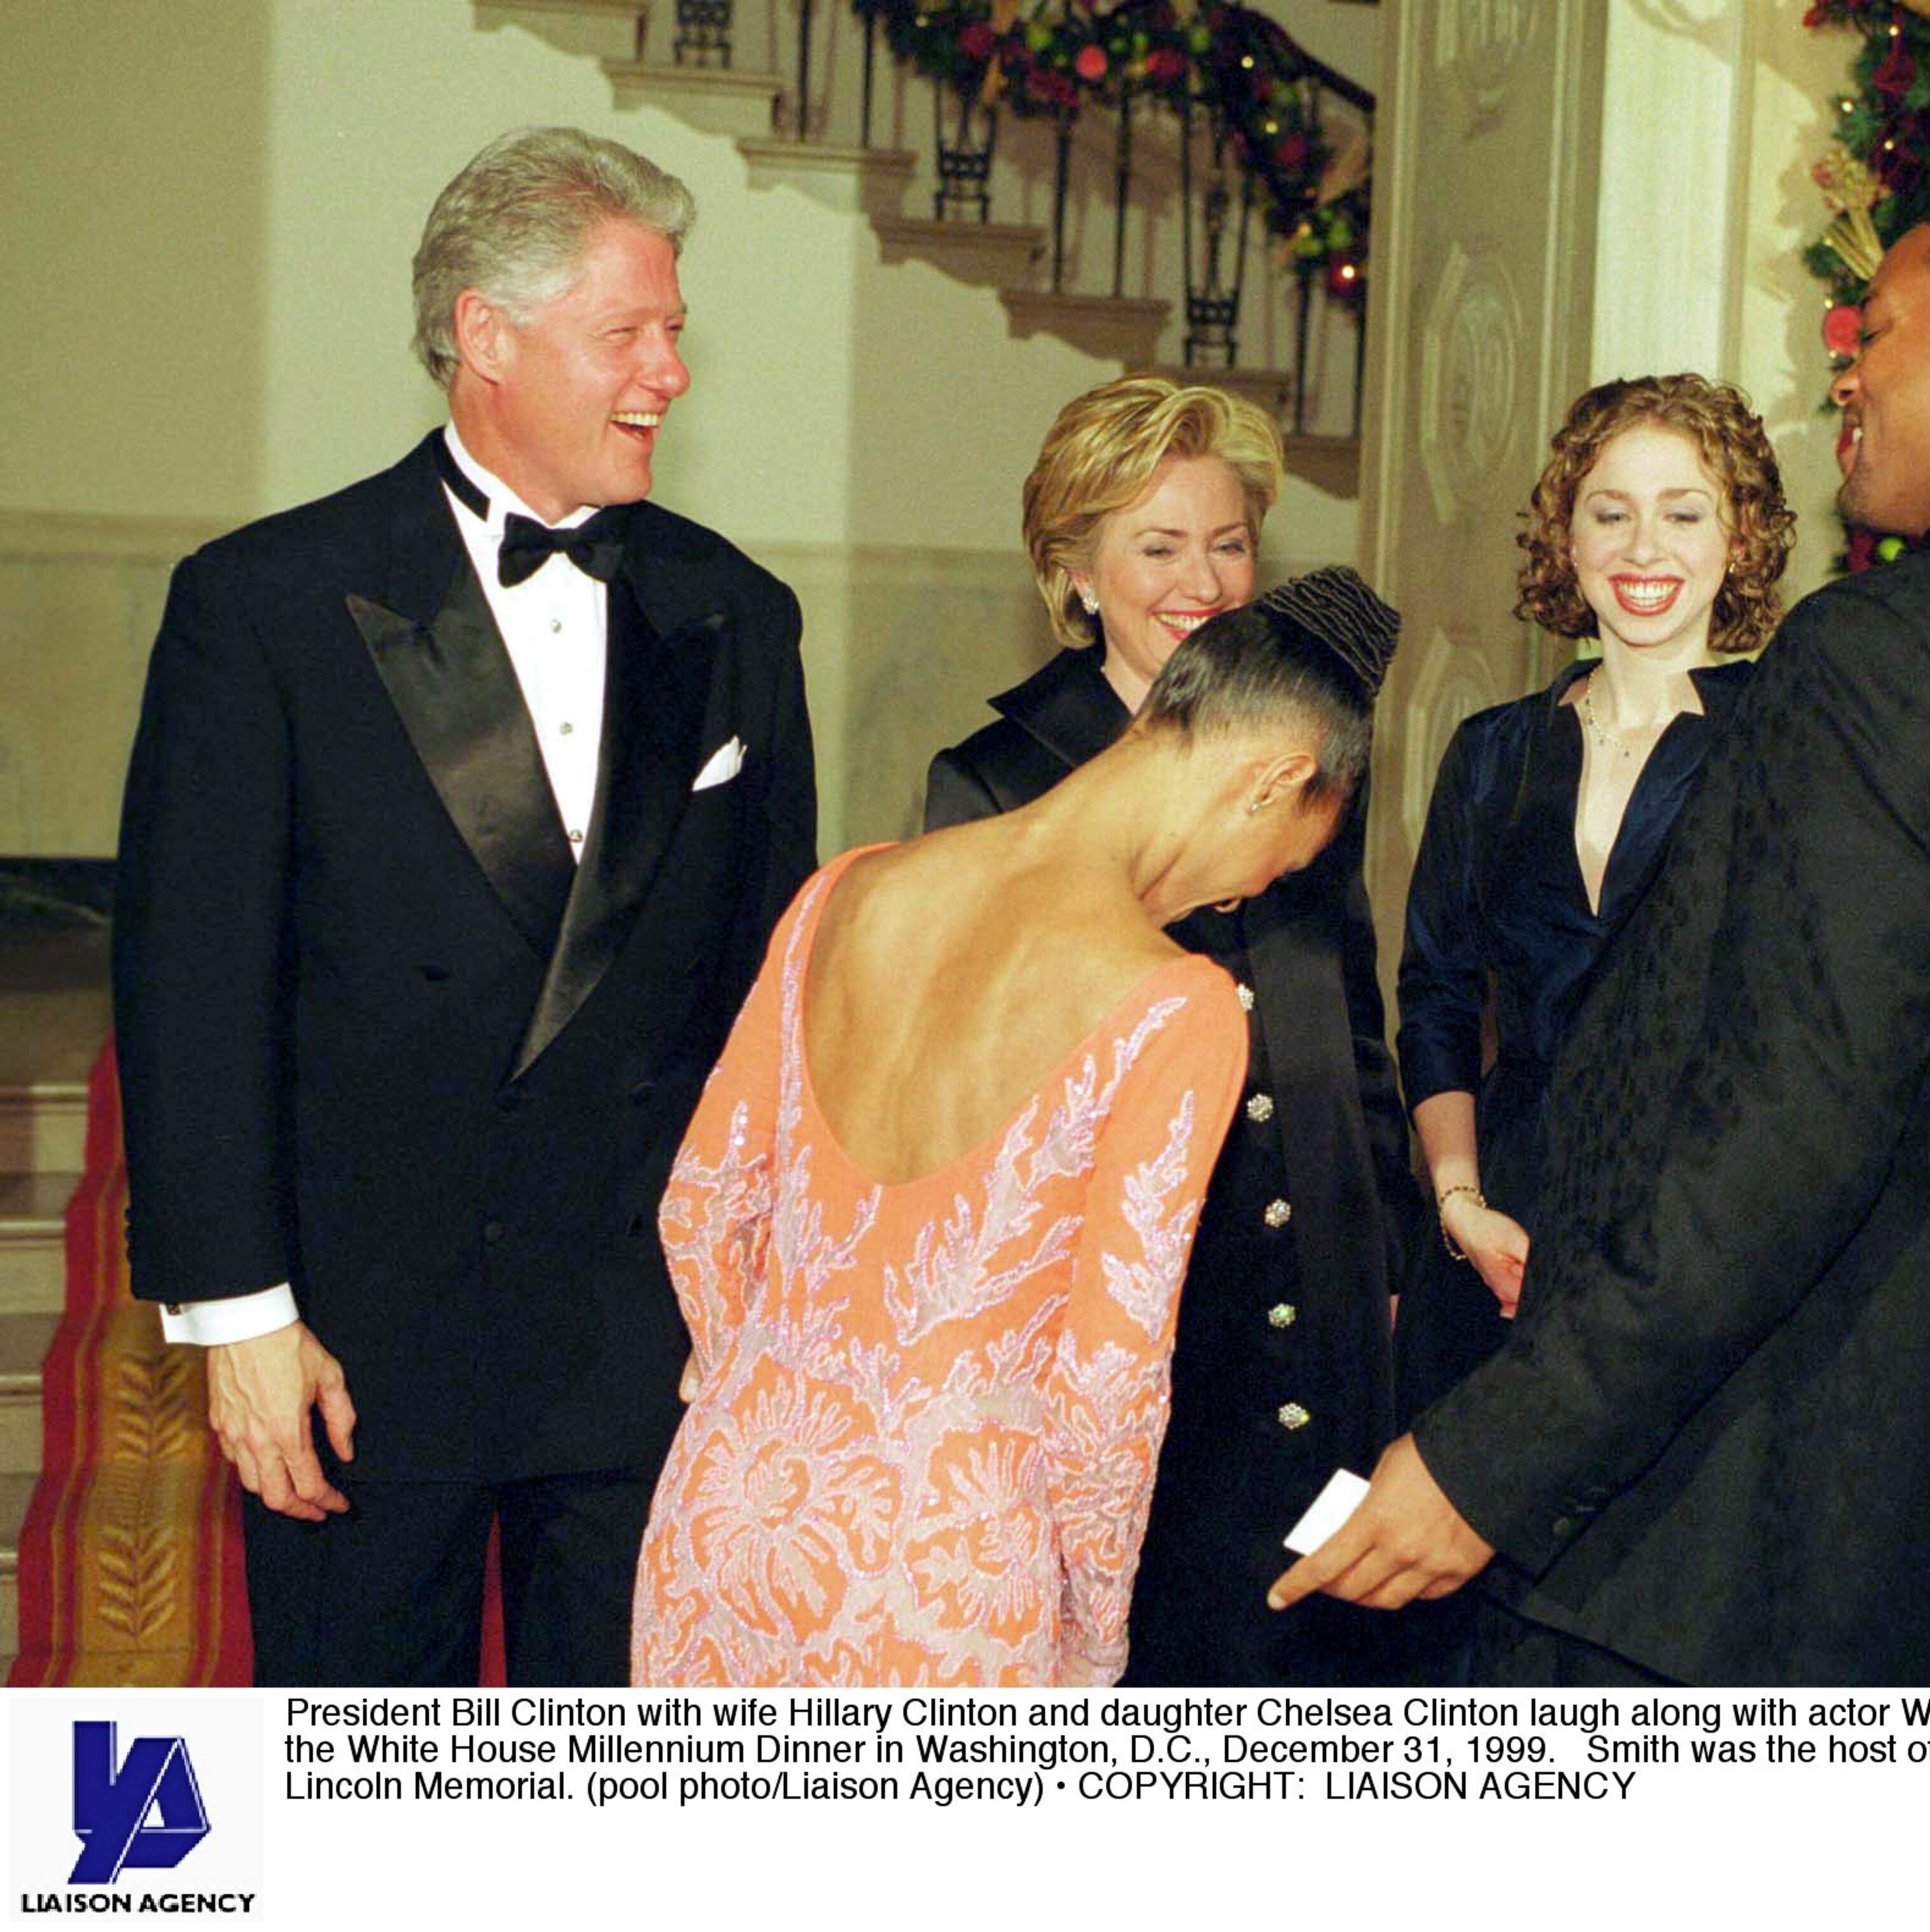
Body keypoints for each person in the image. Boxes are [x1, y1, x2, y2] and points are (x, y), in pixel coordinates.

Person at [1272, 181, 1930, 1686]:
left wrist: (1496, 1455)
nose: (1847, 370)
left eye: (1876, 328)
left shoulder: (1877, 652)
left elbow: (1781, 1136)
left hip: (1700, 1563)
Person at [111, 127, 817, 1685]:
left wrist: (764, 1305)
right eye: (627, 333)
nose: (670, 374)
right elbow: (192, 994)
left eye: (676, 331)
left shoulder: (737, 615)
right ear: (484, 338)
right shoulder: (267, 604)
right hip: (362, 1336)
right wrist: (239, 1318)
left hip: (644, 1339)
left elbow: (774, 1012)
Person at [633, 569, 1400, 1686]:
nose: (1241, 899)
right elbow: (1106, 1388)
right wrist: (1094, 1632)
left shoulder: (845, 889)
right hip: (944, 1567)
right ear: (1274, 778)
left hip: (726, 1516)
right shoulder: (1171, 1004)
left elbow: (701, 1205)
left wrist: (763, 1392)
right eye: (1280, 860)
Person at [925, 377, 1413, 1686]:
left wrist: (1393, 1257)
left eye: (1230, 542)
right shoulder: (996, 781)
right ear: (1076, 573)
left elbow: (1351, 1026)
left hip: (1324, 1298)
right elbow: (981, 1109)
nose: (1204, 579)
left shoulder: (1307, 744)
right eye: (1158, 546)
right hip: (1141, 1330)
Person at [1395, 374, 1793, 1424]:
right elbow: (1435, 998)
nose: (1642, 548)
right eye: (1609, 514)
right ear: (1565, 540)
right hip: (1499, 1226)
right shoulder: (1491, 751)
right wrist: (1460, 1206)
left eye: (1683, 513)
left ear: (1741, 539)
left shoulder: (1788, 745)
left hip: (1696, 1241)